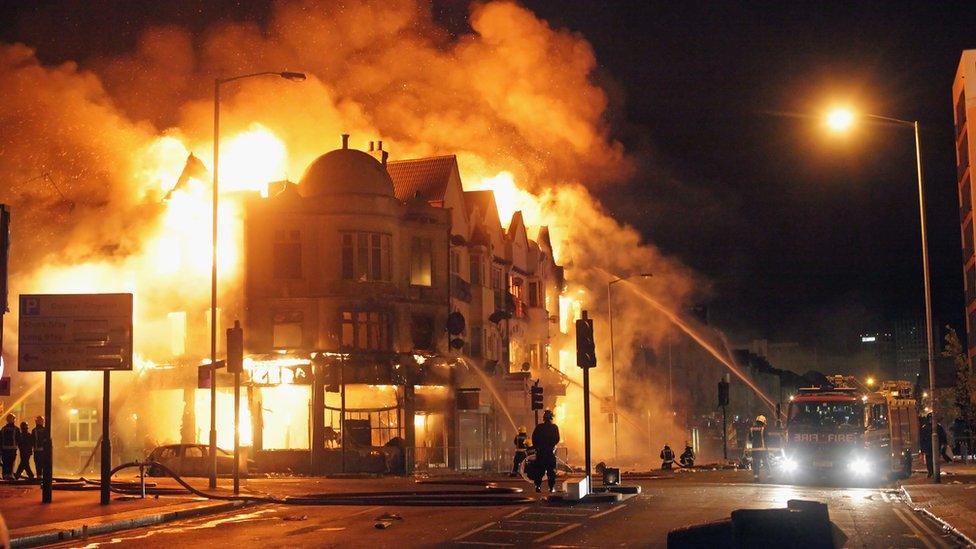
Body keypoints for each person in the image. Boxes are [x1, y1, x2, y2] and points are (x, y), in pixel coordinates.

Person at [531, 410, 560, 493]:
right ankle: (551, 488)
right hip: (549, 452)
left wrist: (537, 448)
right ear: (551, 417)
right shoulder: (554, 427)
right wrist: (551, 445)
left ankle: (538, 486)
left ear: (543, 418)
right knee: (551, 471)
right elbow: (557, 439)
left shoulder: (539, 427)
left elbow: (534, 438)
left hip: (540, 453)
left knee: (539, 470)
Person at [749, 415, 768, 482]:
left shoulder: (751, 429)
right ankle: (769, 476)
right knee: (766, 462)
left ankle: (756, 477)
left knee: (756, 463)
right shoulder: (763, 429)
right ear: (763, 422)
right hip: (763, 449)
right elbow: (767, 438)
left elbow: (750, 439)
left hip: (755, 449)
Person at [32, 416, 50, 482]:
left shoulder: (34, 430)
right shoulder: (46, 430)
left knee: (38, 464)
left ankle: (39, 476)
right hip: (44, 451)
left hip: (37, 450)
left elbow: (32, 441)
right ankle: (43, 477)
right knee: (44, 464)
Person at [0, 415, 17, 480]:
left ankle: (5, 475)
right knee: (11, 462)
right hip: (13, 449)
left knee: (5, 462)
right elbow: (18, 439)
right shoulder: (16, 429)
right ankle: (10, 475)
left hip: (4, 449)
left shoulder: (3, 429)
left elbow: (0, 439)